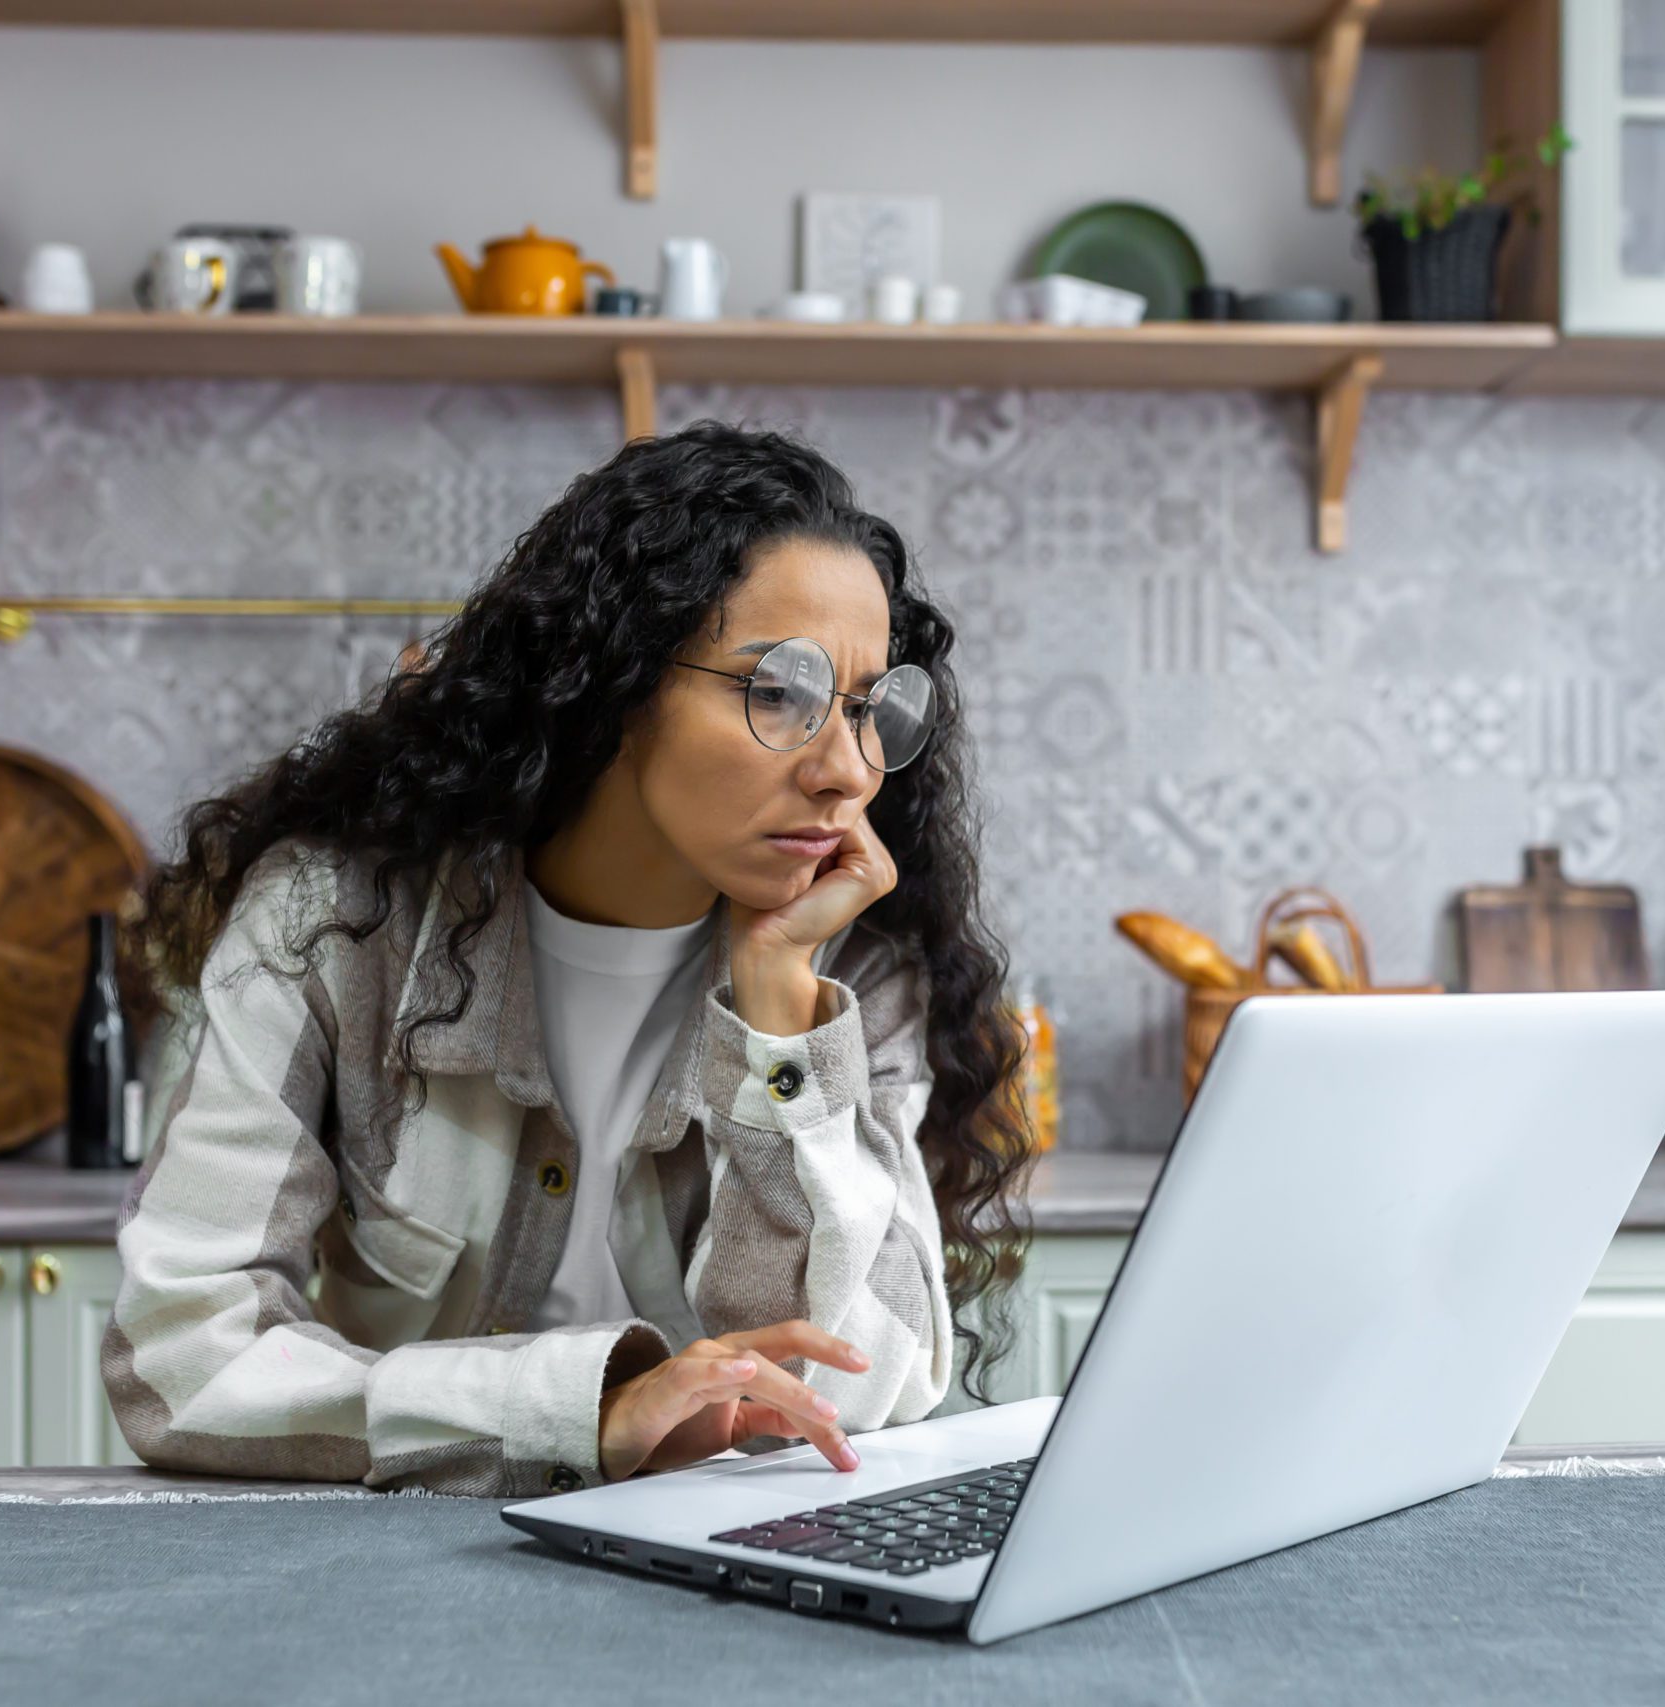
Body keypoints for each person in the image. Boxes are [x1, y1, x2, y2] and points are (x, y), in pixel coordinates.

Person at [103, 422, 1032, 1497]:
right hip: (398, 1571)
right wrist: (577, 1412)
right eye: (777, 690)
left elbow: (848, 1388)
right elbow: (180, 1364)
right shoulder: (333, 927)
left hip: (716, 1587)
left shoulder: (854, 972)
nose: (845, 770)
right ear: (616, 684)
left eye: (868, 708)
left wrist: (780, 1023)